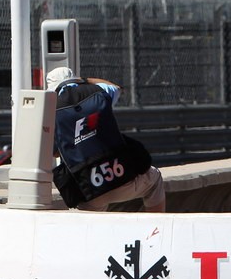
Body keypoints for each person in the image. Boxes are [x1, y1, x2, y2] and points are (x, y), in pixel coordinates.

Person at [46, 67, 166, 212]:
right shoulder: (99, 91)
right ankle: (156, 231)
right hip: (123, 178)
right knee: (155, 179)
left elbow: (55, 153)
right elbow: (117, 88)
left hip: (90, 191)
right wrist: (84, 80)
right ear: (75, 80)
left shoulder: (50, 109)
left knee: (87, 214)